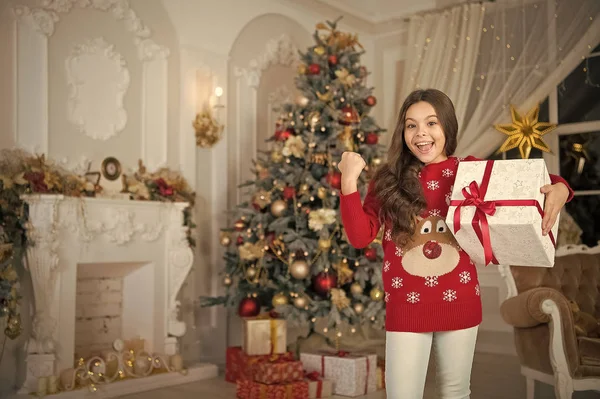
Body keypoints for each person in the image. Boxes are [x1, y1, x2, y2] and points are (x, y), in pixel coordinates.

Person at [337, 88, 573, 399]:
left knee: (456, 392)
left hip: (459, 300)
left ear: (448, 127)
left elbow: (526, 183)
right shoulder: (387, 179)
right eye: (411, 125)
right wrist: (348, 181)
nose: (421, 133)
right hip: (406, 305)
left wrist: (561, 188)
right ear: (402, 131)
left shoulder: (470, 170)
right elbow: (359, 236)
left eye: (431, 123)